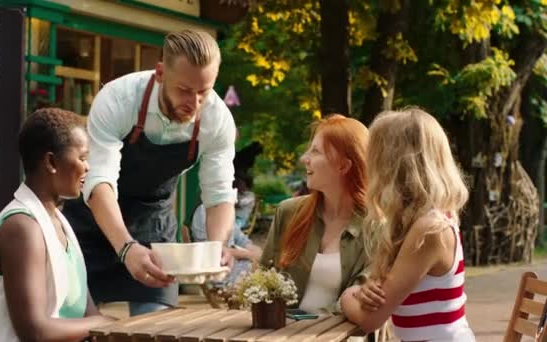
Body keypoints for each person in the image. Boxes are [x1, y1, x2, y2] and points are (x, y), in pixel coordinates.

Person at [61, 30, 237, 315]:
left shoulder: (218, 121)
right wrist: (126, 248)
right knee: (76, 325)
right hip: (91, 227)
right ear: (160, 73)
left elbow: (218, 195)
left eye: (204, 91)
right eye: (184, 90)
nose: (194, 103)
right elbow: (99, 181)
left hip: (154, 227)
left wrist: (216, 247)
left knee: (154, 329)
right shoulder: (118, 99)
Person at [0, 108, 113, 342]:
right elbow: (34, 332)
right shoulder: (22, 228)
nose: (88, 167)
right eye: (82, 158)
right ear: (51, 162)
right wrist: (102, 323)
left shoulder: (59, 221)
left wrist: (105, 325)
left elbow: (88, 313)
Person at [340, 108, 475, 341]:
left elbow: (371, 319)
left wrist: (348, 294)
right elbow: (383, 297)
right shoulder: (429, 219)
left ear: (389, 166)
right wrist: (369, 292)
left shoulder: (429, 230)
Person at [260, 114, 371, 314]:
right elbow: (263, 281)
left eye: (316, 151)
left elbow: (366, 302)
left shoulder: (377, 228)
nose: (304, 159)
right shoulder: (288, 212)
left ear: (344, 166)